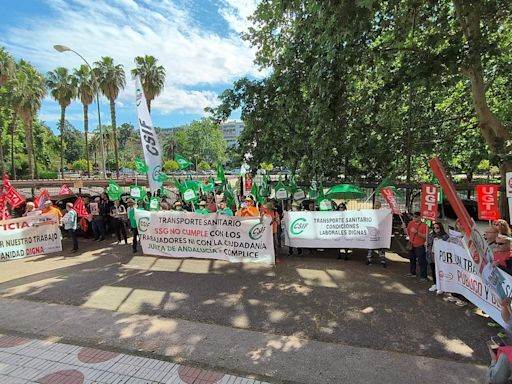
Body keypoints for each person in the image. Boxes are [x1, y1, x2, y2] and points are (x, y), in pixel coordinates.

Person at [404, 211, 429, 279]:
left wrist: (417, 232)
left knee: (422, 261)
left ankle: (423, 276)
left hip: (420, 246)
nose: (414, 218)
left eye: (415, 217)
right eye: (413, 216)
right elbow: (407, 232)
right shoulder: (410, 223)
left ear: (420, 217)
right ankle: (412, 273)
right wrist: (404, 228)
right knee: (412, 259)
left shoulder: (425, 225)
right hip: (412, 245)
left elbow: (426, 236)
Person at [426, 222, 449, 292]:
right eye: (434, 228)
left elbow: (447, 245)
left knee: (441, 271)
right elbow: (429, 243)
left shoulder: (445, 236)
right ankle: (435, 284)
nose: (435, 229)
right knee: (433, 270)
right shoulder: (431, 235)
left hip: (440, 257)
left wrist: (439, 239)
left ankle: (442, 286)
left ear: (441, 228)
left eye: (437, 228)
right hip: (432, 256)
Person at [367, 201, 386, 267]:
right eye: (375, 205)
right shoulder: (370, 213)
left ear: (380, 206)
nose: (376, 206)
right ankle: (369, 260)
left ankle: (383, 261)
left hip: (379, 234)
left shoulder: (383, 213)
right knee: (370, 248)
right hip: (372, 233)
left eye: (377, 205)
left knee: (380, 248)